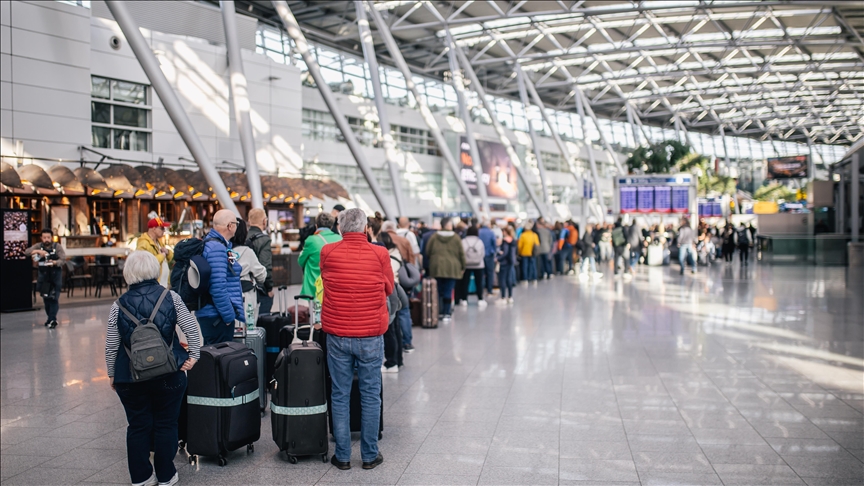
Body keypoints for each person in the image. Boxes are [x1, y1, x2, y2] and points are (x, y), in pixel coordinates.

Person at [105, 251, 201, 486]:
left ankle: (141, 478)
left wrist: (112, 374)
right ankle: (166, 476)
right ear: (154, 270)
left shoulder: (118, 305)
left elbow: (111, 345)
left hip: (131, 377)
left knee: (138, 426)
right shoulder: (171, 297)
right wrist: (193, 356)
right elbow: (191, 328)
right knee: (166, 423)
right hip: (169, 373)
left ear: (128, 273)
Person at [319, 208, 392, 471]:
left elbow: (326, 280)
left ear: (340, 228)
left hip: (337, 333)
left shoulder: (328, 252)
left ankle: (342, 456)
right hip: (370, 333)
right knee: (371, 394)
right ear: (365, 229)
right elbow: (389, 288)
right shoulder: (380, 253)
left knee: (340, 394)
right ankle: (370, 455)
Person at [194, 210, 244, 345]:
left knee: (212, 353)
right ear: (230, 226)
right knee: (220, 354)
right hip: (216, 316)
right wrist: (228, 316)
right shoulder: (217, 248)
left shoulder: (210, 243)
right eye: (236, 223)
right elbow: (218, 286)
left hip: (210, 313)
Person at [383, 221, 415, 353]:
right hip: (400, 284)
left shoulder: (379, 241)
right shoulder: (404, 240)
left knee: (391, 316)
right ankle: (407, 343)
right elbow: (412, 260)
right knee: (404, 312)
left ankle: (391, 349)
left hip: (387, 285)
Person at [424, 218, 465, 322]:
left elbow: (428, 251)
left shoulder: (434, 237)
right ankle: (447, 313)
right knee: (448, 290)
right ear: (449, 226)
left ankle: (438, 312)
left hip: (436, 267)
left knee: (437, 290)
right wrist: (463, 266)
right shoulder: (456, 237)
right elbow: (461, 253)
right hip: (452, 268)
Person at [25, 229, 65, 328]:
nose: (46, 239)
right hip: (43, 277)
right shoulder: (38, 246)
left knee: (54, 298)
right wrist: (39, 251)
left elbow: (63, 259)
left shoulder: (57, 247)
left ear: (51, 237)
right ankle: (50, 319)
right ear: (41, 238)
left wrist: (54, 263)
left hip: (55, 276)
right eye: (44, 237)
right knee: (46, 299)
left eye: (48, 237)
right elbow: (27, 252)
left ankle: (52, 319)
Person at [298, 213, 343, 298]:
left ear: (316, 225)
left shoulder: (311, 240)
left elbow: (301, 261)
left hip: (314, 287)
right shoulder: (340, 239)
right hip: (334, 285)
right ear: (331, 226)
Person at [231, 219, 267, 325]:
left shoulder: (223, 250)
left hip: (228, 297)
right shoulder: (247, 252)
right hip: (246, 296)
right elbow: (261, 275)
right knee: (248, 328)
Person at [378, 231, 404, 373]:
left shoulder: (386, 260)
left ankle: (392, 362)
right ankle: (397, 360)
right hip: (395, 296)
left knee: (390, 332)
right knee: (395, 330)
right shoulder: (395, 254)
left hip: (390, 298)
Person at [246, 208, 274, 314]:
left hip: (244, 287)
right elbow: (265, 266)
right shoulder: (264, 240)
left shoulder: (242, 237)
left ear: (249, 221)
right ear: (264, 221)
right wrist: (269, 288)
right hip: (260, 289)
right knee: (262, 317)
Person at [135, 217, 174, 287]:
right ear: (154, 229)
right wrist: (161, 256)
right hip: (153, 285)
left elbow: (171, 258)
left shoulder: (159, 242)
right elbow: (143, 264)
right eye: (162, 228)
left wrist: (167, 252)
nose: (164, 231)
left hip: (164, 283)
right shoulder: (143, 243)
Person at [457, 226, 487, 308]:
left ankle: (464, 299)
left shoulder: (463, 241)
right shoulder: (479, 241)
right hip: (479, 265)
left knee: (465, 282)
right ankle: (480, 299)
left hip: (466, 265)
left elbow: (460, 253)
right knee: (479, 282)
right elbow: (483, 253)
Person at [497, 226, 517, 304]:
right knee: (509, 279)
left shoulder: (505, 241)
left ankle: (503, 297)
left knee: (502, 279)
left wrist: (498, 258)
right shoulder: (513, 240)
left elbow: (505, 252)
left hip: (504, 262)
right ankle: (510, 296)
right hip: (510, 261)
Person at [477, 220, 498, 296]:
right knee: (490, 273)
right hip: (489, 255)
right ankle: (489, 290)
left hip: (480, 255)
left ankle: (481, 290)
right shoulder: (491, 232)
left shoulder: (478, 232)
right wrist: (493, 251)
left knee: (481, 273)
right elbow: (494, 243)